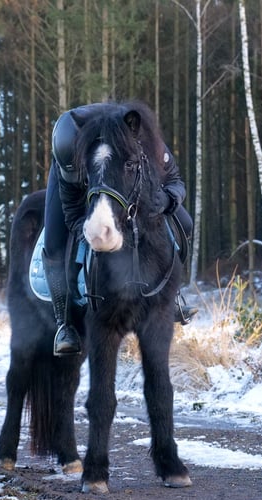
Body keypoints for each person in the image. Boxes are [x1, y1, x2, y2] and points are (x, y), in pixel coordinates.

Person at [43, 103, 196, 356]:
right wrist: (88, 228)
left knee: (185, 223)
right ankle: (64, 323)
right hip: (86, 183)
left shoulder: (148, 143)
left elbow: (175, 181)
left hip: (124, 173)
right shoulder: (68, 153)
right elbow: (71, 210)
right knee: (54, 243)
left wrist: (169, 199)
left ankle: (174, 296)